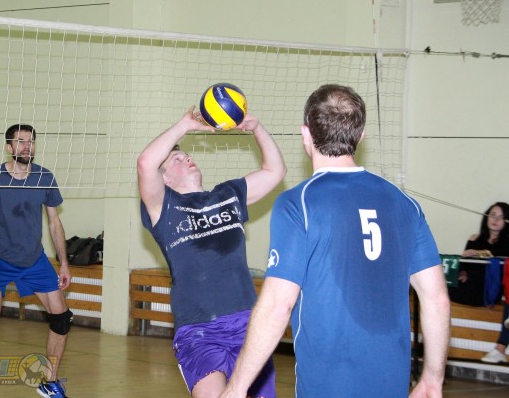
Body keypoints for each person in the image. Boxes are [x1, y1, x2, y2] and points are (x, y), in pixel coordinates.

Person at [219, 84, 451, 398]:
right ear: (360, 136)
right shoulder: (406, 204)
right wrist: (433, 378)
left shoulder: (299, 203)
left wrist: (236, 388)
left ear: (305, 133)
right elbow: (436, 299)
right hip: (392, 383)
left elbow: (277, 305)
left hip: (328, 384)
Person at [137, 106, 286, 397]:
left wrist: (257, 129)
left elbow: (275, 171)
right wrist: (184, 125)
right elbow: (145, 163)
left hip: (248, 325)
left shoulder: (228, 195)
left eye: (186, 155)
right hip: (198, 331)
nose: (187, 158)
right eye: (177, 159)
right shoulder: (163, 208)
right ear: (164, 179)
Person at [0, 124, 72, 398]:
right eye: (20, 142)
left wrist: (64, 262)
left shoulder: (44, 177)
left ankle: (49, 382)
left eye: (30, 142)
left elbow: (54, 223)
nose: (26, 146)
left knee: (62, 319)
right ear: (9, 147)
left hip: (33, 259)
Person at [456, 202, 509, 364]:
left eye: (501, 217)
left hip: (489, 290)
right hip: (469, 285)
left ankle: (500, 348)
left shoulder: (506, 242)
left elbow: (501, 258)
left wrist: (479, 254)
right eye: (492, 215)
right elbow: (463, 265)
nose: (495, 219)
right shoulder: (475, 238)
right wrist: (463, 272)